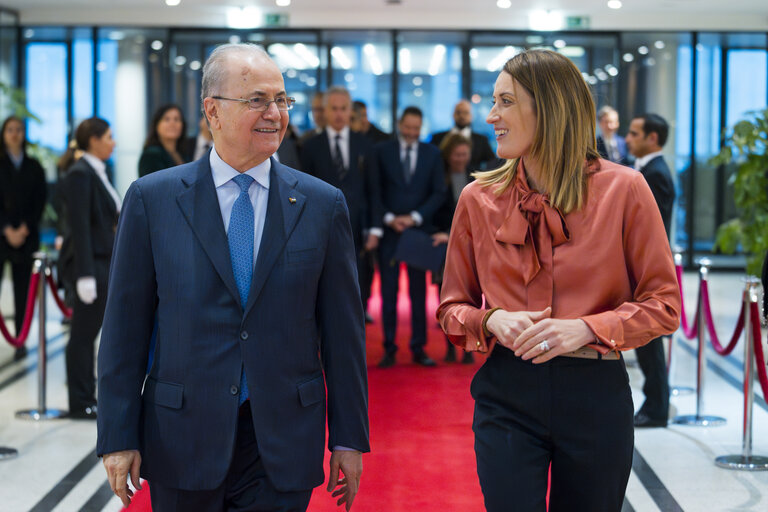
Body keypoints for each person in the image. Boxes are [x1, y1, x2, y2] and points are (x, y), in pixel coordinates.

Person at [96, 43, 369, 512]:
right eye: (257, 100)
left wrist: (349, 437)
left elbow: (343, 334)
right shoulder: (153, 200)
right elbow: (125, 329)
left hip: (282, 439)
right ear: (212, 111)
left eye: (282, 100)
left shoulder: (322, 205)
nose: (275, 114)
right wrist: (118, 435)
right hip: (182, 436)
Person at [437, 49, 680, 511]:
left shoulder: (625, 190)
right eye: (493, 102)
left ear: (548, 107)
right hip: (505, 394)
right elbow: (451, 310)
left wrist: (587, 328)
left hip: (595, 394)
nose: (491, 116)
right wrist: (491, 321)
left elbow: (665, 305)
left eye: (505, 101)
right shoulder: (477, 199)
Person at [370, 106, 446, 368]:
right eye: (408, 127)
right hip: (390, 233)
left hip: (417, 234)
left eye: (416, 128)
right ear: (400, 124)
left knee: (418, 293)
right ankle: (389, 348)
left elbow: (438, 192)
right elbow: (374, 190)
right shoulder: (382, 151)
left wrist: (414, 217)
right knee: (388, 293)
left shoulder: (432, 154)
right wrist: (389, 218)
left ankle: (418, 348)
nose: (412, 132)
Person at [59, 117, 120, 419]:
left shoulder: (98, 171)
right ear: (93, 140)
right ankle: (80, 399)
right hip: (90, 264)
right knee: (82, 336)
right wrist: (84, 275)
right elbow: (80, 227)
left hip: (103, 261)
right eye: (109, 137)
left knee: (89, 333)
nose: (113, 142)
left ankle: (87, 393)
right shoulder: (80, 173)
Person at [301, 86, 380, 314]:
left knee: (358, 285)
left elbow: (373, 189)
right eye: (333, 108)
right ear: (324, 111)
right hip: (320, 226)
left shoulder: (364, 145)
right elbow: (303, 190)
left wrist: (374, 228)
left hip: (359, 226)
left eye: (343, 109)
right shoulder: (310, 146)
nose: (338, 114)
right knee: (323, 287)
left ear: (350, 112)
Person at [625, 112, 676, 428]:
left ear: (652, 138)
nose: (628, 139)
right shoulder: (648, 169)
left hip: (648, 268)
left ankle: (657, 406)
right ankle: (655, 401)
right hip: (642, 266)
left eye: (634, 133)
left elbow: (646, 227)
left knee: (649, 342)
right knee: (646, 344)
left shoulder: (655, 174)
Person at [0, 116, 47, 361]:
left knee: (23, 291)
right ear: (3, 133)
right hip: (1, 236)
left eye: (19, 129)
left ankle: (20, 339)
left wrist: (24, 228)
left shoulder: (34, 166)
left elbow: (40, 200)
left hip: (27, 237)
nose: (15, 134)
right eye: (10, 129)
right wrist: (6, 228)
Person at [432, 133, 474, 364]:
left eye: (464, 154)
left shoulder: (476, 176)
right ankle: (449, 347)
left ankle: (467, 347)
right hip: (446, 247)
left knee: (470, 298)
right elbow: (436, 212)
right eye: (457, 154)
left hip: (470, 248)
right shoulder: (439, 179)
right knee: (446, 300)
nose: (461, 158)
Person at [431, 99, 496, 171]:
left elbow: (493, 162)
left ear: (471, 116)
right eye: (458, 112)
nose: (461, 116)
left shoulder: (481, 140)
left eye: (466, 113)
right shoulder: (438, 138)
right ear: (453, 115)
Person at [138, 104, 189, 177]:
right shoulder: (151, 155)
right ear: (157, 125)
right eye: (167, 119)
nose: (172, 123)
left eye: (177, 119)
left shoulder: (184, 153)